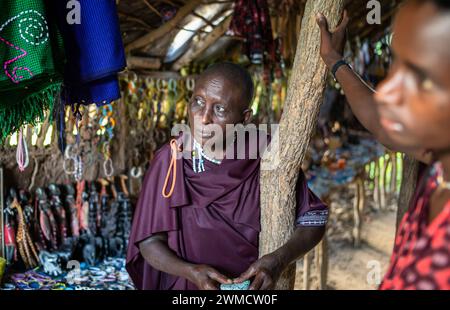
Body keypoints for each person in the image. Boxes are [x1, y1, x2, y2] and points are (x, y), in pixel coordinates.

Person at [126, 63, 328, 290]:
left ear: (244, 118)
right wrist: (191, 272)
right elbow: (149, 241)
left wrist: (279, 260)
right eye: (198, 102)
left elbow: (314, 220)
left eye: (219, 109)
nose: (203, 119)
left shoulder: (267, 156)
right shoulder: (171, 160)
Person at [316, 0, 450, 289]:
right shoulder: (442, 169)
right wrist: (334, 60)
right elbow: (379, 120)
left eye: (418, 75)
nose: (387, 90)